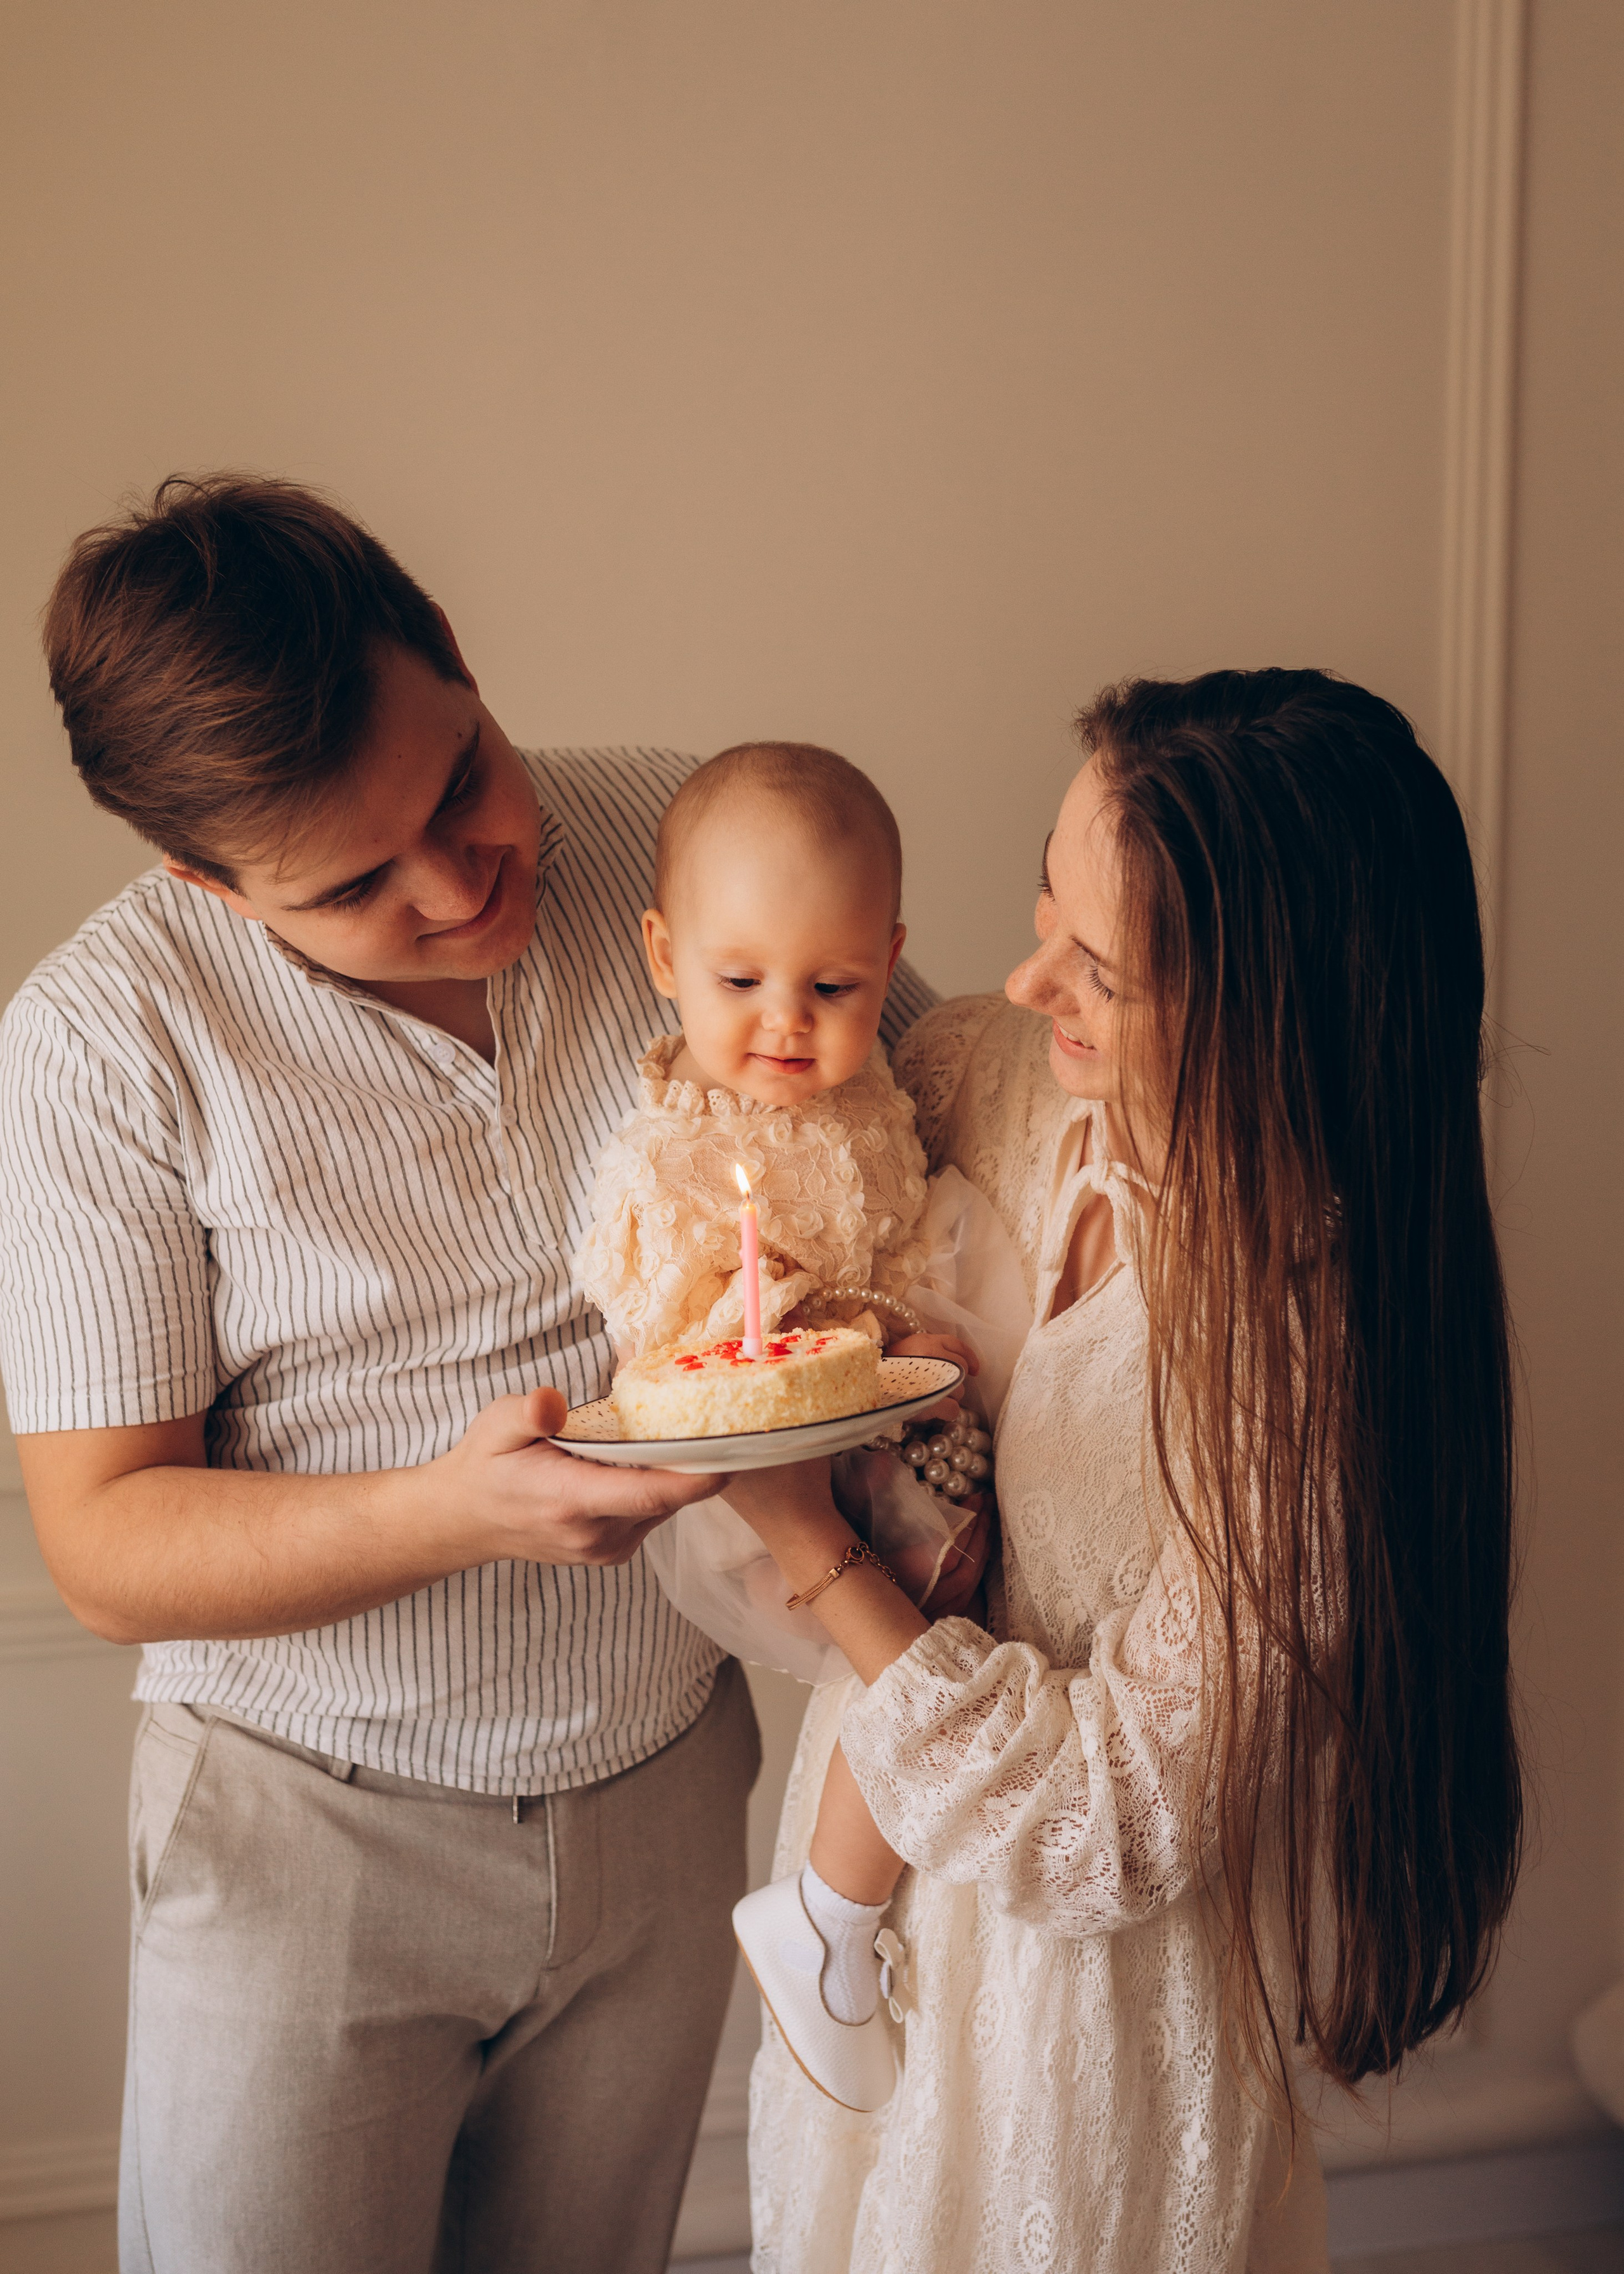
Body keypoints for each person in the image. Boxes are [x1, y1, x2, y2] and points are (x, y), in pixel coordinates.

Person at [0, 472, 936, 2274]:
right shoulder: (96, 1049)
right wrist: (453, 1513)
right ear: (203, 880)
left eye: (461, 782)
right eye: (355, 885)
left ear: (457, 659)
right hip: (305, 1839)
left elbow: (945, 1098)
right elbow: (106, 1544)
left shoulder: (676, 841)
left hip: (667, 1791)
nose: (461, 880)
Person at [724, 670, 1522, 2274]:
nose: (1023, 979)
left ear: (1259, 1006)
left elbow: (1118, 1817)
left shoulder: (1304, 1344)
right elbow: (758, 1171)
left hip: (1080, 2034)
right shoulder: (977, 1074)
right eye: (1043, 897)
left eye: (1099, 969)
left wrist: (817, 1553)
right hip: (864, 1938)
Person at [573, 740, 1012, 2113]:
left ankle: (844, 1902)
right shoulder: (671, 1151)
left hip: (875, 1418)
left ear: (889, 959)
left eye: (834, 987)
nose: (785, 1022)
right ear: (662, 953)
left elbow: (901, 1231)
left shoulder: (875, 1095)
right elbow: (673, 1330)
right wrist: (854, 1338)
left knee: (965, 1625)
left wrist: (914, 1328)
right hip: (748, 1474)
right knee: (934, 1635)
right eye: (739, 980)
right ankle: (826, 1909)